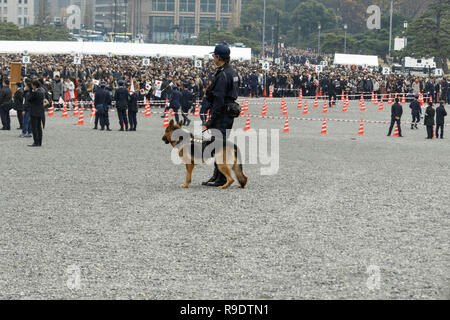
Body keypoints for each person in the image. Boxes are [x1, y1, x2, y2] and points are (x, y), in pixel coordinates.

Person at [203, 44, 239, 187]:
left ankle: (221, 178)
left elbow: (219, 98)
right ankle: (217, 174)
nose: (213, 58)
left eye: (214, 56)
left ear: (218, 57)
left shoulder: (223, 74)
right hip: (228, 111)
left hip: (222, 113)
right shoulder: (232, 72)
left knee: (219, 145)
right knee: (218, 143)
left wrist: (211, 118)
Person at [27, 79, 45, 147]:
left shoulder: (35, 93)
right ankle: (39, 142)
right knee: (39, 127)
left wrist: (31, 91)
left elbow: (29, 99)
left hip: (34, 111)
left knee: (34, 128)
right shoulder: (42, 91)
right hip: (40, 111)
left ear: (34, 86)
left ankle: (36, 142)